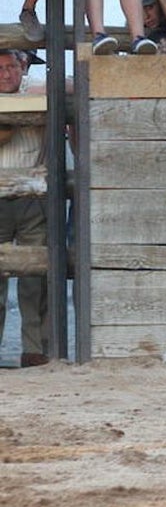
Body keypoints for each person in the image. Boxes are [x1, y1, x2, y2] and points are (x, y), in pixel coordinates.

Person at [0, 51, 49, 367]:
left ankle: (35, 350)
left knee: (36, 277)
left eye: (11, 67)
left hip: (34, 197)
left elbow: (68, 85)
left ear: (22, 67)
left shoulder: (37, 87)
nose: (5, 74)